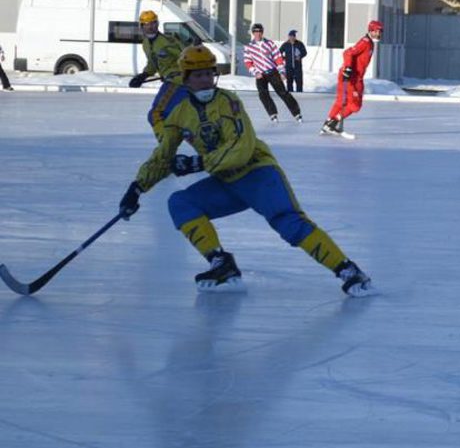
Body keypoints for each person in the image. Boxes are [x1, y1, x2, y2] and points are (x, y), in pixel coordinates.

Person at [117, 45, 373, 296]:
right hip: (226, 183)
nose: (205, 80)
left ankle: (348, 271)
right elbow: (163, 156)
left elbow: (240, 146)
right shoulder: (180, 114)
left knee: (289, 224)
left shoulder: (228, 101)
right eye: (198, 75)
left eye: (209, 73)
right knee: (181, 203)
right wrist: (137, 188)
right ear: (186, 80)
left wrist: (198, 164)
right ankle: (221, 264)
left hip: (258, 175)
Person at [129, 10, 188, 140]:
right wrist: (143, 75)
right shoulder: (146, 43)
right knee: (168, 115)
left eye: (154, 23)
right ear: (142, 27)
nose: (152, 26)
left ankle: (166, 145)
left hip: (177, 82)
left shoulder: (167, 41)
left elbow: (186, 56)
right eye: (148, 24)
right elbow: (152, 63)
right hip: (169, 81)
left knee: (156, 114)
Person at [321, 20, 382, 138]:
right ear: (370, 30)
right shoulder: (365, 42)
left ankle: (327, 125)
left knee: (340, 102)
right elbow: (348, 53)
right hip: (350, 77)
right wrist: (348, 68)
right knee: (355, 105)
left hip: (355, 77)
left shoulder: (370, 43)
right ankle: (332, 124)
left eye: (380, 31)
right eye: (376, 31)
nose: (378, 34)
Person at [243, 23, 302, 124]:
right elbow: (248, 61)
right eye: (255, 32)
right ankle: (273, 114)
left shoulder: (269, 43)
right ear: (253, 33)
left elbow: (278, 58)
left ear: (262, 32)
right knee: (263, 94)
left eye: (259, 31)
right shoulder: (249, 47)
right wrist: (255, 72)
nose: (258, 34)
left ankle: (297, 113)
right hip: (260, 74)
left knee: (283, 93)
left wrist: (282, 72)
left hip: (272, 72)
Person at [279, 29, 307, 94]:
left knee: (299, 82)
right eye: (290, 36)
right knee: (289, 82)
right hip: (288, 67)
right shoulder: (285, 44)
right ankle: (290, 97)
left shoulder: (299, 44)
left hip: (297, 67)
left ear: (295, 37)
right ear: (288, 37)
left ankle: (300, 95)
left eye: (293, 36)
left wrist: (299, 56)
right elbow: (279, 52)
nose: (291, 38)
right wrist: (283, 58)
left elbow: (304, 52)